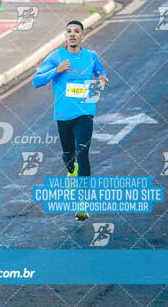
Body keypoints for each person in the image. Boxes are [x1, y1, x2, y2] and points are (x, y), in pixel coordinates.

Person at [33, 20, 108, 221]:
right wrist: (56, 70)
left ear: (82, 35)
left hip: (85, 111)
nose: (72, 34)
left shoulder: (91, 56)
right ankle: (70, 169)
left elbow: (101, 72)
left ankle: (82, 203)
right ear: (65, 35)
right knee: (69, 156)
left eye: (76, 31)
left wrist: (102, 79)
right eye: (69, 31)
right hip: (63, 114)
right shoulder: (56, 56)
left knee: (83, 154)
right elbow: (36, 81)